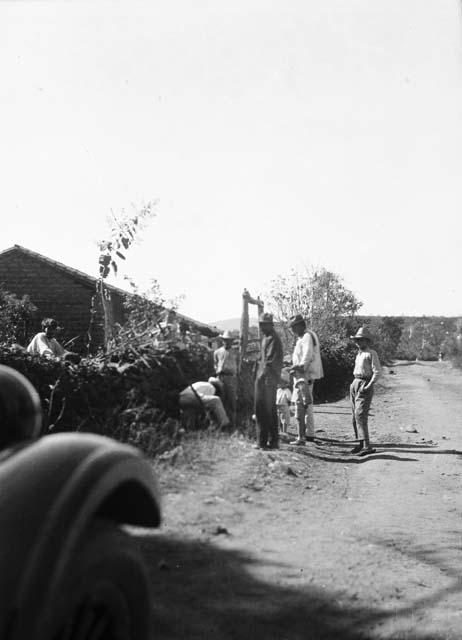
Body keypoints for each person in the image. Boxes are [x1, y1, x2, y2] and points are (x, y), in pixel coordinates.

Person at [288, 314, 324, 445]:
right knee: (307, 406)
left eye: (293, 327)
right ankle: (309, 435)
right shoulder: (303, 337)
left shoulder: (307, 336)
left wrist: (298, 367)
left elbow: (307, 356)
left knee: (301, 406)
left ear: (299, 326)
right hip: (302, 375)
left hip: (304, 376)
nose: (292, 330)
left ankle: (301, 437)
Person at [350, 327, 381, 456]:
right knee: (354, 415)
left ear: (367, 341)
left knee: (360, 414)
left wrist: (369, 385)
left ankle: (367, 445)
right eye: (357, 340)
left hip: (364, 383)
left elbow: (377, 371)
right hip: (355, 382)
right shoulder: (359, 354)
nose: (358, 342)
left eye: (361, 340)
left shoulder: (371, 353)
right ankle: (360, 443)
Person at [254, 312, 283, 450]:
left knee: (264, 410)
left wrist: (260, 377)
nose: (261, 327)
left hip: (267, 379)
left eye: (263, 324)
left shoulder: (273, 339)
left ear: (270, 325)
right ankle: (270, 441)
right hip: (265, 378)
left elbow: (270, 363)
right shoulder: (266, 338)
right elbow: (263, 360)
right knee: (266, 410)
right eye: (260, 324)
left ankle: (265, 442)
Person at [213, 330, 239, 427]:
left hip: (231, 378)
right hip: (220, 378)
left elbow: (238, 365)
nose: (227, 342)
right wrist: (218, 371)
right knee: (220, 401)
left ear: (232, 341)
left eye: (229, 340)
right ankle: (222, 425)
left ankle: (233, 424)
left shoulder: (236, 352)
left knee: (232, 402)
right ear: (222, 340)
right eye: (225, 340)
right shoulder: (217, 352)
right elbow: (215, 364)